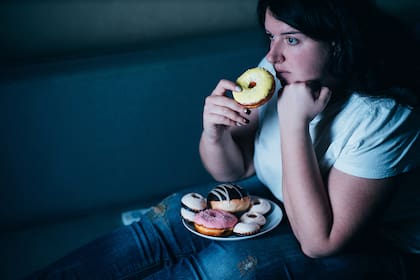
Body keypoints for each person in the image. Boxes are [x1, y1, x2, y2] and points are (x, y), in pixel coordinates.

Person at [26, 0, 419, 279]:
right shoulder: (277, 70)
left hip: (380, 247)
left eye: (292, 39)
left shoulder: (385, 117)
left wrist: (293, 124)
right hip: (287, 203)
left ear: (337, 41)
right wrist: (214, 132)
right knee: (174, 214)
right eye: (270, 36)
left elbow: (320, 242)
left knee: (226, 266)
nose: (273, 55)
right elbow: (236, 167)